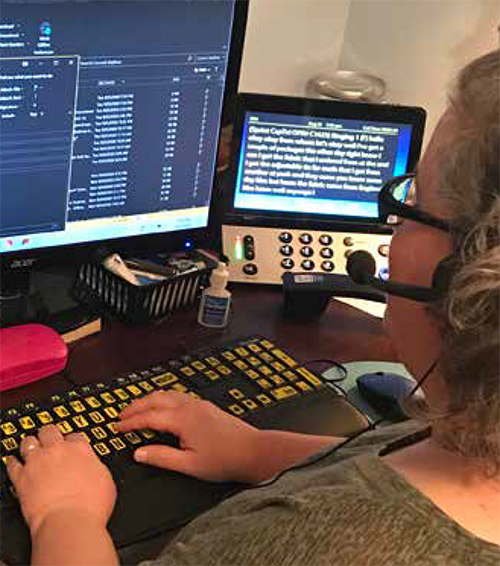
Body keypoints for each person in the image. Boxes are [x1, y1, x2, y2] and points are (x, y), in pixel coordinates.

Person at [5, 49, 499, 566]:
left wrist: (64, 517)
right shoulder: (470, 427)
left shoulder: (303, 543)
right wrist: (253, 450)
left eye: (412, 199)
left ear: (465, 281)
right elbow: (394, 457)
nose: (395, 225)